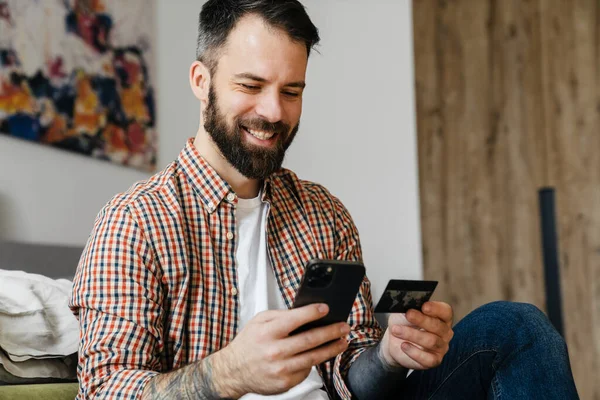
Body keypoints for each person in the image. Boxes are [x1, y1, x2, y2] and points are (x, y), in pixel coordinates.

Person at [69, 1, 580, 399]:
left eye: (292, 91)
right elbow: (103, 389)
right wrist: (231, 372)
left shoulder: (323, 213)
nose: (273, 111)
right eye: (251, 85)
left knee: (517, 327)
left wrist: (388, 354)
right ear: (202, 82)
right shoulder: (135, 221)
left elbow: (349, 377)